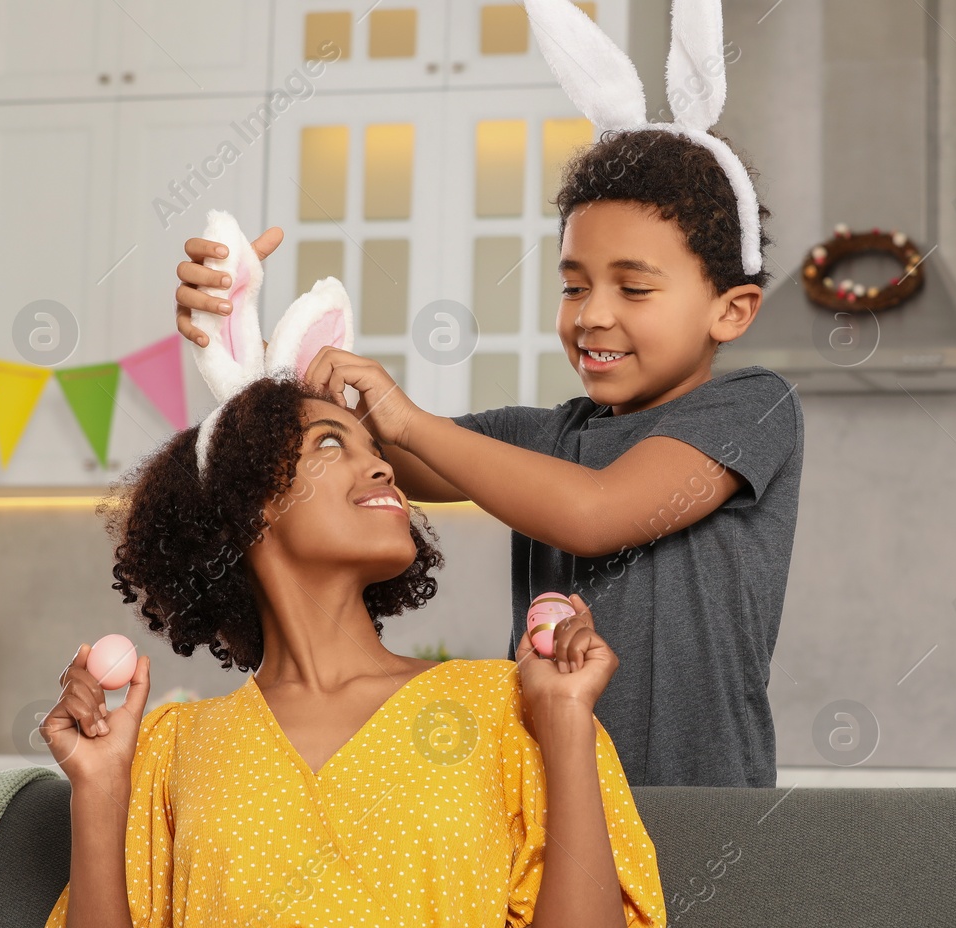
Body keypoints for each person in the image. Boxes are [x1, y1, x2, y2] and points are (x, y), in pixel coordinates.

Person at [37, 376, 665, 928]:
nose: (383, 464)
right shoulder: (170, 743)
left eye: (378, 447)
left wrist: (567, 719)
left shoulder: (507, 704)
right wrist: (97, 793)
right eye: (330, 443)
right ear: (251, 503)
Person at [173, 125, 802, 788]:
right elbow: (367, 450)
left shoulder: (754, 407)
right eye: (574, 287)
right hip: (540, 815)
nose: (591, 316)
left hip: (700, 814)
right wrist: (240, 331)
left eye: (634, 289)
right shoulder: (544, 438)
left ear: (732, 311)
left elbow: (597, 511)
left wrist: (409, 419)